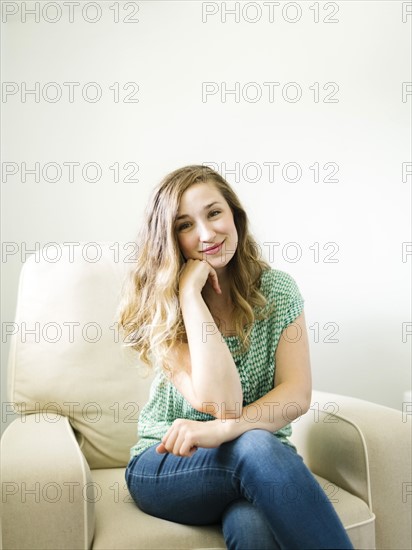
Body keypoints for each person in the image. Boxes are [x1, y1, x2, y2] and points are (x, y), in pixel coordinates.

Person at [119, 165, 353, 550]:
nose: (207, 234)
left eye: (214, 213)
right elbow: (222, 403)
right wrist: (191, 297)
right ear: (170, 238)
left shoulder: (277, 290)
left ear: (234, 216)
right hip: (167, 464)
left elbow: (295, 394)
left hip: (256, 464)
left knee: (253, 528)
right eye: (185, 225)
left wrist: (224, 431)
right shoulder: (162, 307)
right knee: (257, 446)